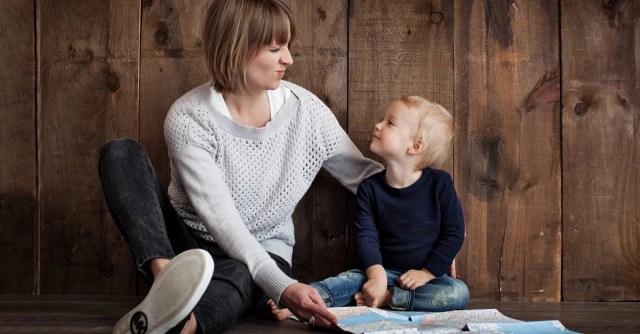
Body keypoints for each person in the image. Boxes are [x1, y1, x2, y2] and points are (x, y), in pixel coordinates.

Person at [98, 0, 383, 333]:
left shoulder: (308, 113)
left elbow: (365, 177)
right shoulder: (189, 117)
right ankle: (169, 286)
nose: (288, 59)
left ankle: (182, 324)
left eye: (288, 47)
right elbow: (221, 218)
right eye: (276, 48)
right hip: (186, 247)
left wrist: (431, 220)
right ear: (236, 48)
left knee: (240, 272)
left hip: (263, 254)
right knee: (120, 153)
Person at [270, 95, 469, 322]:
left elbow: (453, 233)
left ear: (415, 146)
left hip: (426, 280)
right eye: (382, 120)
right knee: (346, 281)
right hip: (380, 271)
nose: (378, 125)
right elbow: (366, 236)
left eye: (390, 123)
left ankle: (388, 299)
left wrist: (427, 273)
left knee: (457, 292)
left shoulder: (440, 184)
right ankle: (300, 303)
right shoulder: (370, 188)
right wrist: (376, 275)